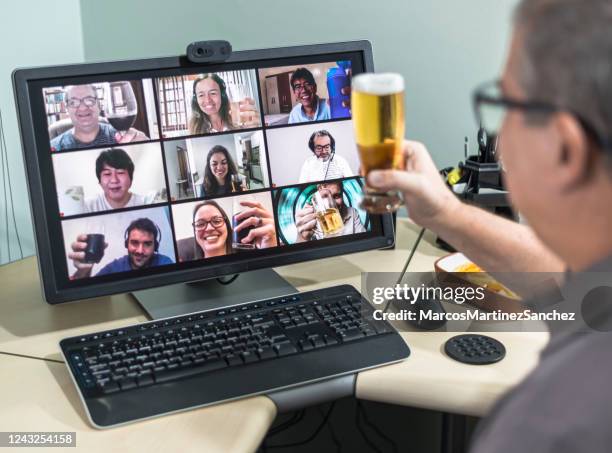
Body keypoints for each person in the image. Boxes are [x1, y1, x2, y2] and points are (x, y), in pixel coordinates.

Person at [367, 0, 612, 451]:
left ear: (565, 149)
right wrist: (444, 213)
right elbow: (574, 284)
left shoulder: (550, 426)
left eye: (505, 105)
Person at [50, 84, 148, 151]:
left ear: (99, 105)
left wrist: (147, 147)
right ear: (66, 108)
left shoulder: (122, 137)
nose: (83, 107)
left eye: (89, 100)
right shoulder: (54, 147)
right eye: (73, 102)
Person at [69, 218, 174, 278]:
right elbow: (90, 292)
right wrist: (83, 272)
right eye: (134, 243)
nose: (140, 251)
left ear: (155, 246)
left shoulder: (165, 263)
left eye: (147, 244)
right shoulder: (114, 268)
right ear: (126, 243)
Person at [188, 200, 277, 259]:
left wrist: (269, 254)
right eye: (200, 224)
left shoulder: (249, 257)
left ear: (228, 227)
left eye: (217, 221)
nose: (209, 228)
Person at [188, 74, 260, 135]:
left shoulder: (238, 120)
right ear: (196, 100)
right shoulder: (194, 130)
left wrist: (253, 129)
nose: (207, 100)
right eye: (201, 95)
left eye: (213, 93)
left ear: (222, 96)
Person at [295, 181, 365, 242]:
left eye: (336, 196)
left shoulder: (352, 212)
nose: (332, 203)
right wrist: (302, 238)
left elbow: (364, 241)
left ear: (342, 195)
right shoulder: (312, 220)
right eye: (325, 197)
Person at [85, 148, 146, 212]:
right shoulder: (88, 207)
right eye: (107, 174)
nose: (114, 180)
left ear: (131, 179)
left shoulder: (145, 203)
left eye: (120, 172)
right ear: (99, 181)